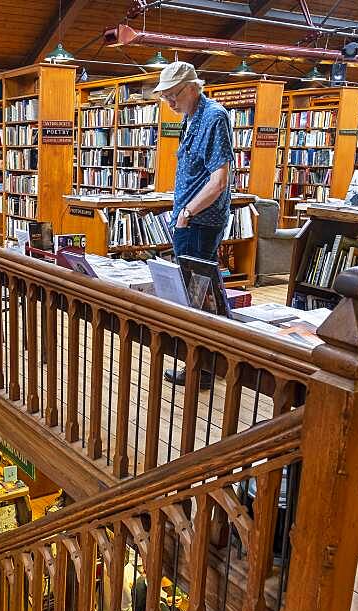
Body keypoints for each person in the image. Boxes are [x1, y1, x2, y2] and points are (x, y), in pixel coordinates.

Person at [155, 61, 233, 387]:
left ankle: (202, 369)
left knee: (199, 300)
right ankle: (203, 366)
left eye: (174, 95)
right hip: (189, 219)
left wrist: (186, 213)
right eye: (166, 97)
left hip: (199, 222)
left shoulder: (214, 117)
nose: (170, 103)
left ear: (191, 87)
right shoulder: (190, 117)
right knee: (197, 296)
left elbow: (219, 181)